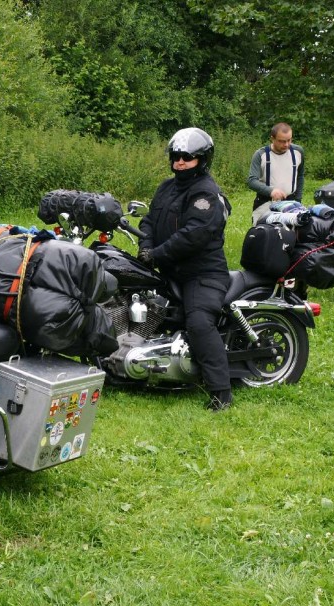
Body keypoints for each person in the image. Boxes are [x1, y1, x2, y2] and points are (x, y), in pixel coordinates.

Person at [137, 127, 233, 411]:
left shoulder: (206, 193)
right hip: (169, 268)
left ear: (202, 160)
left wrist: (157, 253)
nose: (179, 162)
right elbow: (149, 221)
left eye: (187, 157)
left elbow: (194, 234)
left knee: (199, 322)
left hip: (202, 273)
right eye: (176, 156)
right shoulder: (167, 188)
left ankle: (221, 392)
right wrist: (146, 246)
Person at [247, 122, 305, 224]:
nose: (286, 144)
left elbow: (300, 176)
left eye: (289, 140)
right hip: (265, 203)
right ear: (272, 138)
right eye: (282, 141)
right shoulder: (261, 154)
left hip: (290, 203)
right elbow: (251, 181)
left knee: (290, 237)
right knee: (263, 236)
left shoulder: (298, 152)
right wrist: (271, 191)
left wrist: (298, 200)